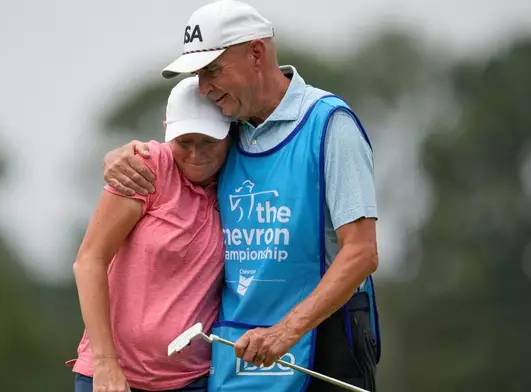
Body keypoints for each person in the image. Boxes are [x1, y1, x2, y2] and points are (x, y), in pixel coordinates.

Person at [101, 1, 382, 391]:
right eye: (199, 75)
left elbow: (361, 252)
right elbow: (170, 159)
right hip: (238, 354)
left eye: (213, 71)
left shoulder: (330, 124)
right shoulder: (224, 133)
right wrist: (121, 158)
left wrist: (284, 333)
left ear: (255, 53)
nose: (203, 88)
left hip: (322, 346)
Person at [67, 76, 233, 392]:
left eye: (209, 142)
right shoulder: (147, 167)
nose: (196, 154)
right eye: (185, 142)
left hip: (192, 381)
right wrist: (105, 363)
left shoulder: (242, 180)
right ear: (167, 129)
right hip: (113, 377)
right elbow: (89, 260)